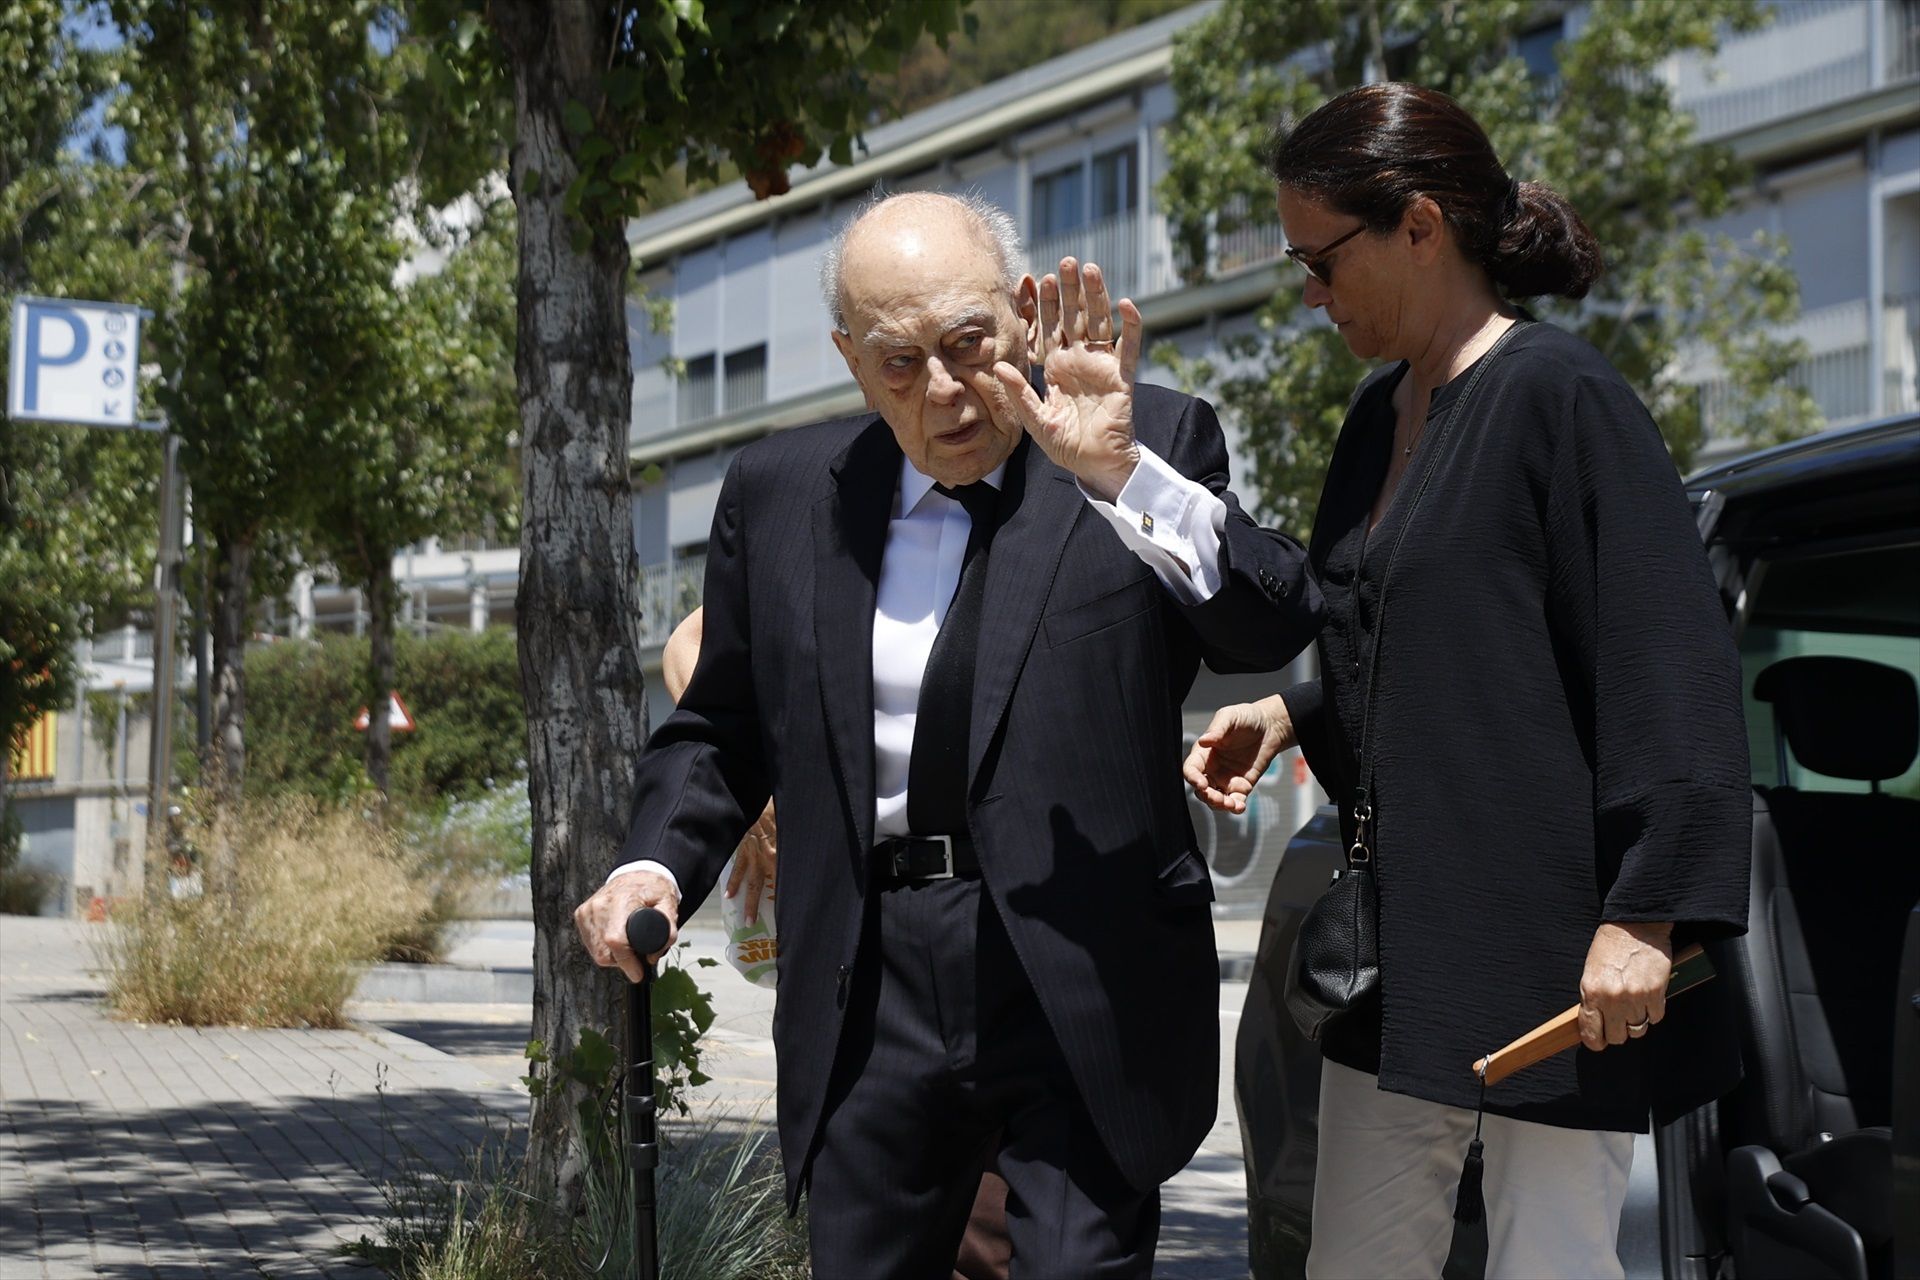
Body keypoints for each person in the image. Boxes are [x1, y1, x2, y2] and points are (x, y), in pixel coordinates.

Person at [574, 190, 1322, 1276]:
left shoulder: (1141, 440)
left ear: (1024, 310)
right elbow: (722, 722)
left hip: (1080, 965)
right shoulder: (783, 495)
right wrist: (654, 863)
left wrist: (1115, 471)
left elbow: (1273, 615)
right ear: (848, 358)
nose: (945, 391)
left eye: (969, 343)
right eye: (897, 362)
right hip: (871, 974)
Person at [1181, 84, 1751, 1279]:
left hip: (1557, 963)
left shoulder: (1564, 397)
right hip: (1397, 961)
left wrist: (1645, 911)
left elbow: (1668, 663)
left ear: (1422, 225)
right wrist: (1294, 708)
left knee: (1551, 1264)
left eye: (1322, 261)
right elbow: (1419, 638)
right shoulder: (1369, 420)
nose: (1309, 294)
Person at [662, 607, 1011, 1280]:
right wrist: (763, 795)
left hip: (1012, 921)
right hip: (865, 930)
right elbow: (694, 643)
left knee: (993, 1235)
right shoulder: (854, 520)